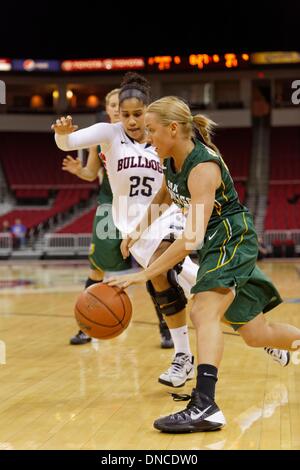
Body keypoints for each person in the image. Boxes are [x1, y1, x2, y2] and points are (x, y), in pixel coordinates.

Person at [107, 96, 300, 432]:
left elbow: (190, 239)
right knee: (257, 334)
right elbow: (165, 196)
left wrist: (144, 275)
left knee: (202, 310)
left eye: (151, 130)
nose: (146, 137)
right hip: (217, 243)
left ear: (172, 129)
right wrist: (136, 232)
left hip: (230, 238)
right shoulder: (172, 160)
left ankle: (205, 404)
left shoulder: (202, 168)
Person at [52, 74, 200, 387]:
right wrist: (62, 136)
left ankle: (188, 354)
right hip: (132, 228)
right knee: (179, 283)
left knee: (174, 271)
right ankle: (193, 350)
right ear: (117, 112)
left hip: (168, 215)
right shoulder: (109, 133)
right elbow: (70, 142)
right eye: (125, 113)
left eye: (138, 114)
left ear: (149, 110)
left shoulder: (161, 134)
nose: (132, 121)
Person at [62, 88, 134, 345]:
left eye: (120, 104)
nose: (116, 108)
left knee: (156, 272)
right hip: (110, 207)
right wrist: (78, 170)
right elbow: (92, 174)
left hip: (140, 206)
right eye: (112, 104)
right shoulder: (101, 136)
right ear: (107, 108)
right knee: (97, 268)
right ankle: (85, 325)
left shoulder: (141, 133)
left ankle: (165, 328)